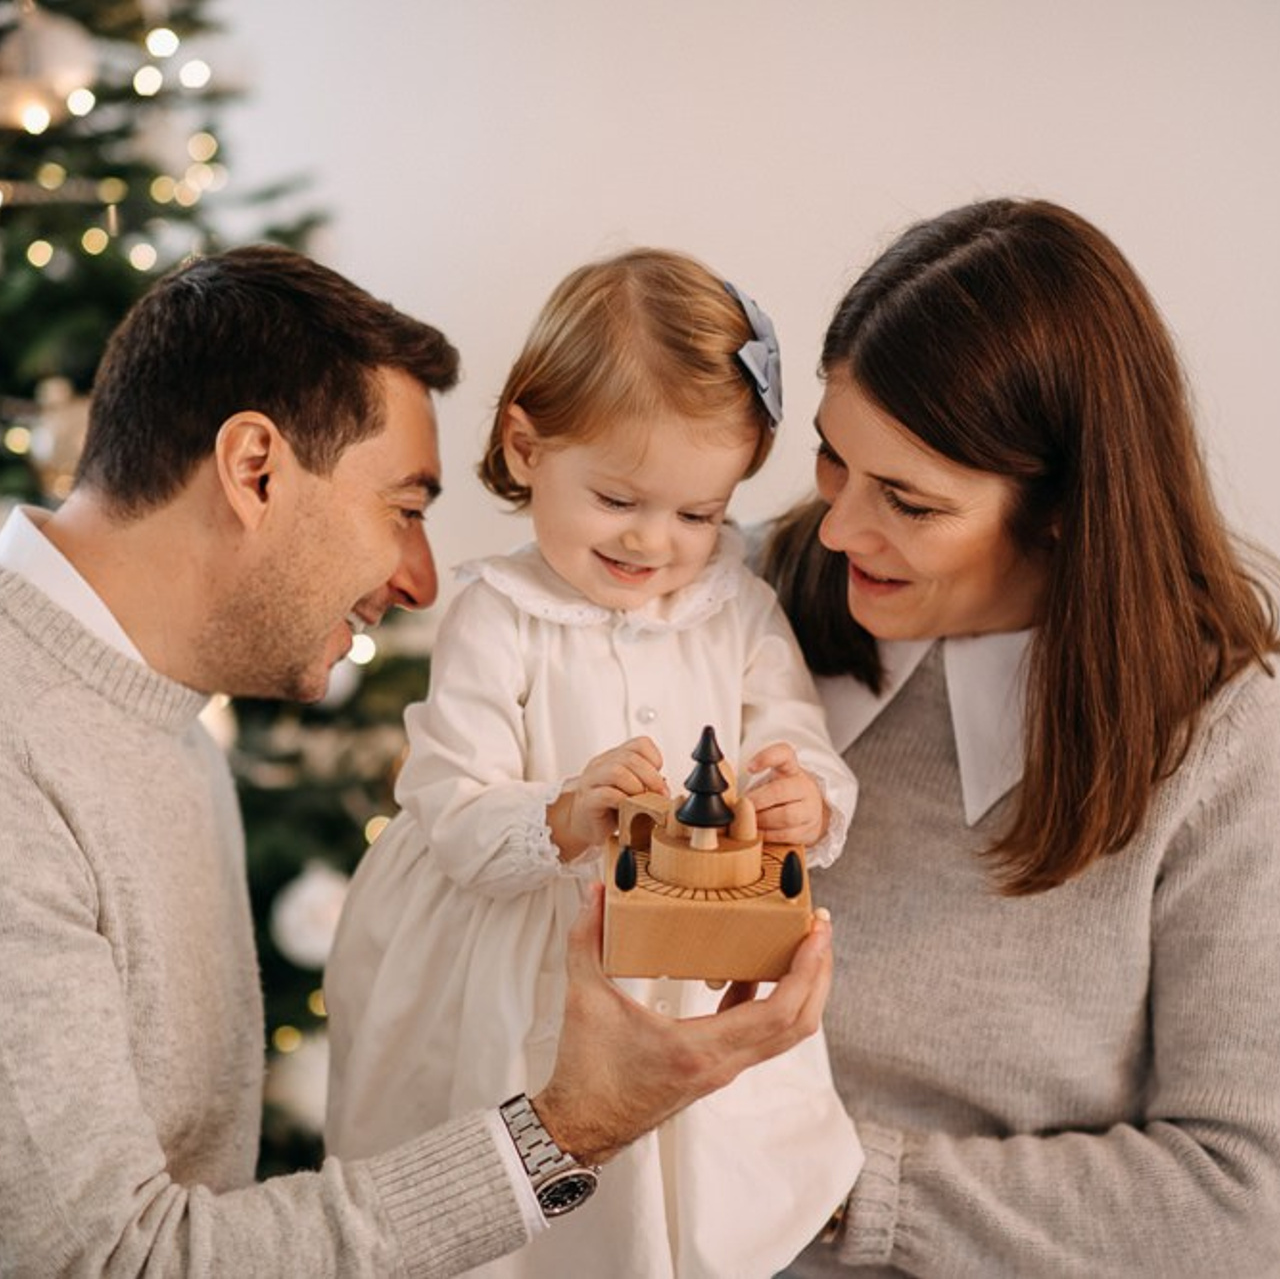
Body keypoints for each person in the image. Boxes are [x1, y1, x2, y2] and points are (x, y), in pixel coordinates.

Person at [0, 244, 840, 1278]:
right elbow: (109, 1263)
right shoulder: (18, 765)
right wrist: (570, 1126)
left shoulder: (164, 723)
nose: (423, 576)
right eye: (404, 506)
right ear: (254, 468)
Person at [757, 197, 1280, 1277]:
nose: (839, 526)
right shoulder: (749, 599)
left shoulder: (1224, 741)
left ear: (1060, 509)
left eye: (907, 500)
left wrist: (820, 1187)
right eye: (828, 460)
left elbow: (1242, 1193)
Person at [324, 248, 863, 1278]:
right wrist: (564, 813)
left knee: (681, 1195)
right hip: (515, 955)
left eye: (698, 513)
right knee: (526, 1210)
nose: (655, 541)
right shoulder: (497, 613)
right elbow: (449, 799)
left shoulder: (735, 608)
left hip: (683, 938)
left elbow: (800, 746)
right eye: (619, 497)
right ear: (526, 446)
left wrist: (803, 796)